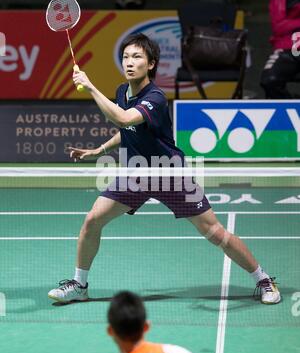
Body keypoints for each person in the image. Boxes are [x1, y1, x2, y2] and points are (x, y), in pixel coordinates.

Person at [48, 33, 280, 305]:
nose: (129, 62)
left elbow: (123, 119)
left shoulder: (156, 97)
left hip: (169, 173)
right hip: (136, 174)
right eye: (125, 57)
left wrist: (90, 86)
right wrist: (99, 150)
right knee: (92, 221)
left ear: (151, 64)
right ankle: (79, 284)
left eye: (137, 57)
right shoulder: (123, 92)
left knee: (215, 232)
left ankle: (264, 280)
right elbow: (129, 130)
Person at [260, 0, 300, 98]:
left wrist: (291, 23)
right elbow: (278, 27)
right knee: (269, 80)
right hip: (289, 50)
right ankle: (291, 106)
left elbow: (285, 24)